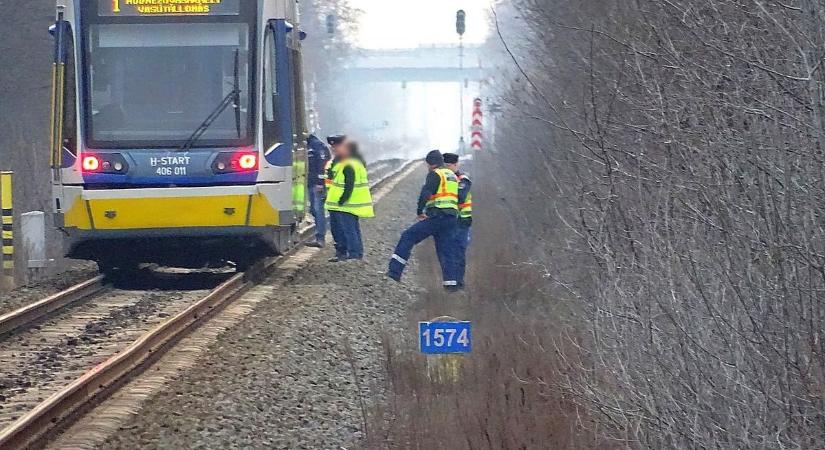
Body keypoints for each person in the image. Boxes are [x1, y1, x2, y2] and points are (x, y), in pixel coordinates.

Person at [387, 150, 460, 291]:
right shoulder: (452, 175)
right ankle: (451, 287)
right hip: (451, 218)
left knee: (408, 236)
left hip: (437, 216)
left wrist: (420, 211)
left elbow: (426, 192)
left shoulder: (435, 174)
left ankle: (394, 273)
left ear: (430, 163)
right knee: (446, 251)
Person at [325, 138, 374, 262]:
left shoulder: (349, 164)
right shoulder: (341, 162)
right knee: (341, 230)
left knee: (349, 230)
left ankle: (354, 254)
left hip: (346, 204)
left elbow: (349, 185)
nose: (333, 149)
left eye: (337, 147)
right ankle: (345, 253)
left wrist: (342, 200)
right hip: (336, 204)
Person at [443, 153, 472, 289]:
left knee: (459, 253)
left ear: (456, 165)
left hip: (462, 222)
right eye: (445, 166)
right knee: (448, 252)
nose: (448, 169)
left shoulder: (463, 180)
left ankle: (458, 283)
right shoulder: (443, 180)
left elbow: (460, 197)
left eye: (449, 166)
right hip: (448, 222)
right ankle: (450, 283)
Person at [305, 134, 331, 248]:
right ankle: (320, 233)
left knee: (318, 209)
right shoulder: (308, 145)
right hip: (311, 183)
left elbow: (323, 165)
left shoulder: (316, 146)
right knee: (314, 210)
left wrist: (320, 182)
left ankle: (320, 237)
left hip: (317, 184)